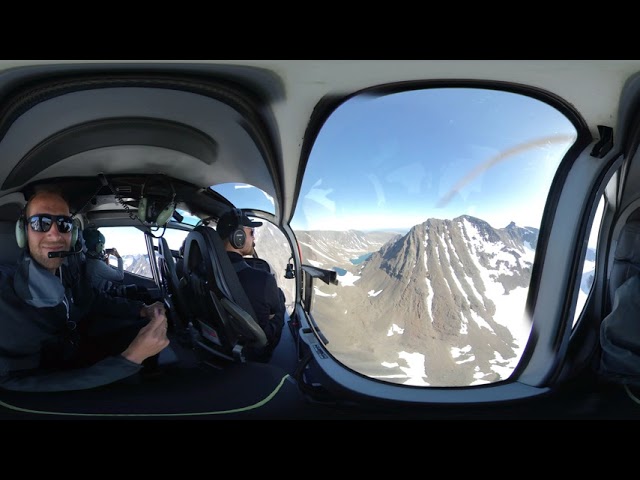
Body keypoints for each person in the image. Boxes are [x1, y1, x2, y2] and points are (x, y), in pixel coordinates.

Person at [0, 187, 170, 392]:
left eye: (63, 224)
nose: (54, 234)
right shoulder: (5, 298)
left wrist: (141, 308)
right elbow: (17, 383)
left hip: (78, 346)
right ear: (23, 232)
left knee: (141, 327)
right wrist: (131, 359)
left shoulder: (67, 269)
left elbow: (93, 299)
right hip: (56, 382)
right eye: (40, 223)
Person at [216, 208, 285, 362]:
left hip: (219, 341)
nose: (254, 239)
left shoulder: (205, 268)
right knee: (280, 303)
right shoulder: (262, 279)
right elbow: (268, 330)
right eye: (251, 233)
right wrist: (280, 301)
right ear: (238, 237)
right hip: (251, 353)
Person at [83, 227, 148, 300]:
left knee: (140, 290)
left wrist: (107, 257)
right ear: (98, 246)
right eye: (102, 245)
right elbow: (120, 276)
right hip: (108, 294)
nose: (103, 247)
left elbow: (104, 272)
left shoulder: (90, 259)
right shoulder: (96, 264)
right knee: (142, 291)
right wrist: (118, 257)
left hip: (106, 290)